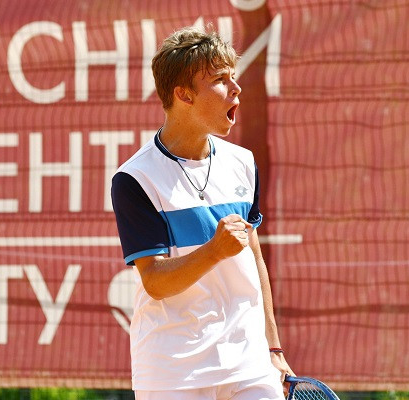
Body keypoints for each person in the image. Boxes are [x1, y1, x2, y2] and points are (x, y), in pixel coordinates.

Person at [111, 26, 294, 400]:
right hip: (173, 372)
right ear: (184, 95)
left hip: (249, 365)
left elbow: (254, 258)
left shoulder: (243, 163)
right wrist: (214, 251)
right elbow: (155, 281)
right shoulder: (135, 179)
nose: (235, 88)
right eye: (220, 80)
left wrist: (273, 348)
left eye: (233, 77)